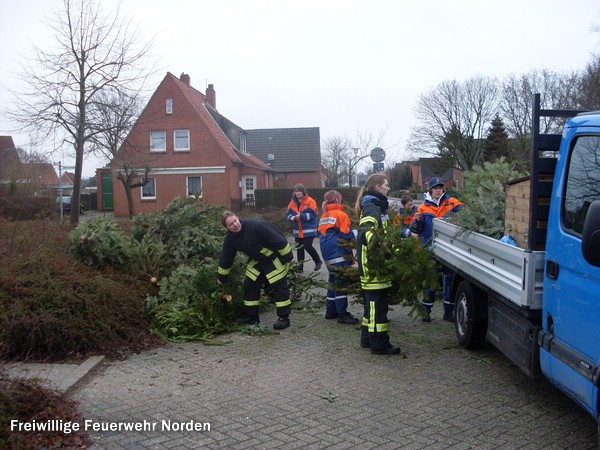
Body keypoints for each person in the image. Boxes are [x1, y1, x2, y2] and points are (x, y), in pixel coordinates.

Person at [217, 211, 294, 330]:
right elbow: (227, 258)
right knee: (249, 285)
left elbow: (278, 239)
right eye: (231, 224)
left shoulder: (256, 225)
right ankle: (251, 317)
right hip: (257, 261)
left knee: (279, 287)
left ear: (238, 218)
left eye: (235, 221)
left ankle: (284, 318)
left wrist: (288, 256)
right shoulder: (230, 240)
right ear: (226, 228)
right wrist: (221, 277)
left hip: (273, 259)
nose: (235, 225)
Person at [355, 173, 401, 355]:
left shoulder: (376, 206)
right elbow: (367, 233)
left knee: (370, 307)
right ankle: (379, 344)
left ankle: (367, 339)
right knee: (377, 308)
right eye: (386, 185)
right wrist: (381, 245)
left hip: (373, 266)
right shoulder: (372, 207)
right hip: (373, 267)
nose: (388, 188)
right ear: (377, 187)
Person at [410, 177, 463, 322]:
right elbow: (415, 229)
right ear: (430, 190)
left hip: (449, 249)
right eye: (435, 188)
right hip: (430, 249)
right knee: (430, 281)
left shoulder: (452, 203)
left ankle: (448, 312)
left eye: (440, 187)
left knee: (449, 282)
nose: (438, 190)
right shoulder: (422, 208)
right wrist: (417, 222)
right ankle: (426, 311)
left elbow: (466, 213)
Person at [318, 190, 359, 324]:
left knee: (333, 281)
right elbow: (346, 235)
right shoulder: (341, 215)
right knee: (341, 283)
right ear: (337, 200)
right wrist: (359, 233)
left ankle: (331, 311)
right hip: (339, 253)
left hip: (328, 254)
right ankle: (342, 314)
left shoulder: (324, 215)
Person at [286, 184, 323, 271]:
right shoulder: (292, 203)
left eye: (299, 191)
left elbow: (313, 215)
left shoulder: (310, 201)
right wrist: (292, 217)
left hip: (309, 230)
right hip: (297, 230)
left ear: (303, 191)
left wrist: (301, 216)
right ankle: (300, 267)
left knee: (307, 246)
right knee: (299, 249)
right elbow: (287, 214)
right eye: (296, 191)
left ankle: (318, 261)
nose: (297, 193)